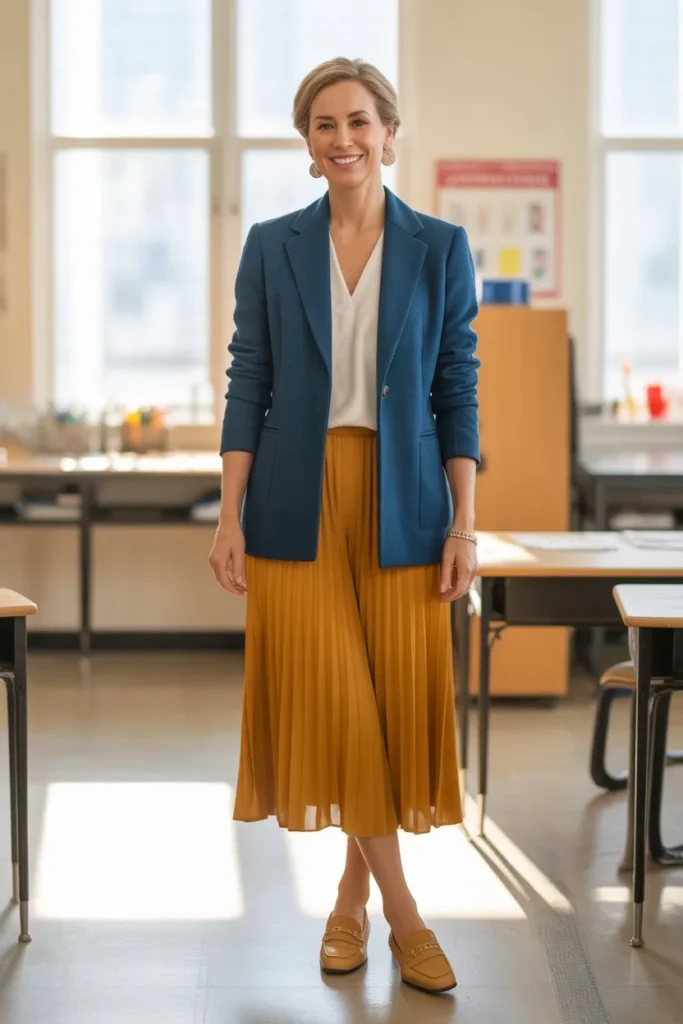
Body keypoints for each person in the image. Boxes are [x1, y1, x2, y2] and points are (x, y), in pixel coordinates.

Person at [209, 57, 480, 995]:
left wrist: (465, 525)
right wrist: (228, 514)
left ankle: (347, 903)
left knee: (393, 711)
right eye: (323, 125)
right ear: (307, 144)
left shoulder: (440, 247)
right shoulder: (271, 244)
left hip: (405, 497)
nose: (343, 139)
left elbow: (456, 389)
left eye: (358, 121)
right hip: (295, 495)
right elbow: (251, 378)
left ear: (388, 132)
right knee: (339, 704)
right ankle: (407, 921)